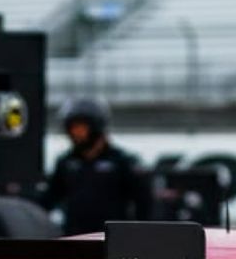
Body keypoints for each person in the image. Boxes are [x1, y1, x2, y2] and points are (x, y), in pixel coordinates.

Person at [42, 96, 153, 236]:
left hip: (112, 241)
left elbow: (144, 204)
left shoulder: (122, 162)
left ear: (96, 126)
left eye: (80, 129)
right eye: (72, 129)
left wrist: (138, 236)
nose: (75, 135)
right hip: (75, 239)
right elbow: (49, 199)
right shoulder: (66, 162)